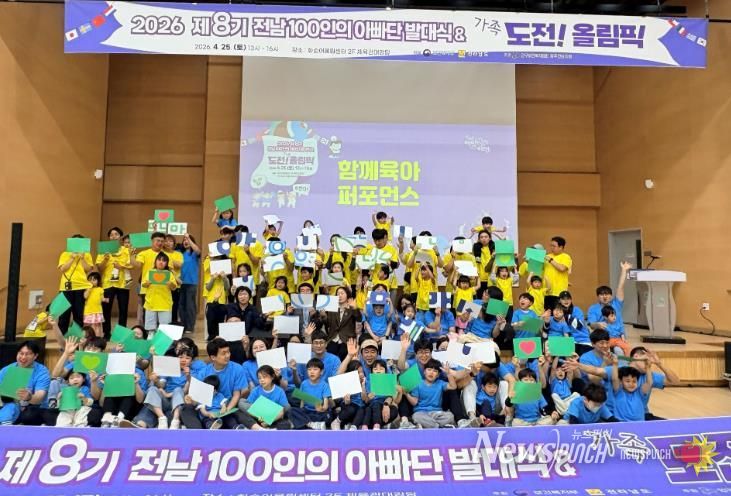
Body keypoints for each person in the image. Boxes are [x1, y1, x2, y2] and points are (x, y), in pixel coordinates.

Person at [179, 339, 246, 429]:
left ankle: (232, 427)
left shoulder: (238, 369)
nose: (228, 355)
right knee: (186, 409)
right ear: (213, 357)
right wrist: (191, 400)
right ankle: (198, 432)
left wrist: (226, 410)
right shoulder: (204, 372)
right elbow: (198, 397)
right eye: (223, 353)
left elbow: (236, 395)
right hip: (207, 410)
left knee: (237, 414)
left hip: (226, 408)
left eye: (228, 352)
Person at [128, 347, 193, 429]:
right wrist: (155, 381)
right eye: (181, 357)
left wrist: (168, 394)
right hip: (161, 404)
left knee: (178, 390)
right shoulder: (164, 371)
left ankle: (175, 421)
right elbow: (160, 385)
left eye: (187, 358)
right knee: (152, 389)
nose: (183, 360)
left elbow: (185, 391)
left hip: (177, 403)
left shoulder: (190, 374)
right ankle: (159, 419)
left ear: (191, 361)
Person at [0, 341, 51, 425]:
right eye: (21, 353)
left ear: (35, 356)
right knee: (9, 408)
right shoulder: (7, 370)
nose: (23, 357)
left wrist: (29, 397)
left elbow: (40, 396)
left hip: (33, 408)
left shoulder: (42, 371)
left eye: (27, 354)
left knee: (30, 415)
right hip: (10, 407)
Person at [97, 227, 132, 339]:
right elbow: (100, 268)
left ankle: (121, 334)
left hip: (123, 284)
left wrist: (122, 266)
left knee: (123, 310)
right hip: (108, 284)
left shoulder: (126, 250)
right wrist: (105, 259)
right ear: (109, 237)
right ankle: (106, 333)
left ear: (120, 237)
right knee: (106, 310)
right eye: (111, 235)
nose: (113, 236)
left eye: (116, 234)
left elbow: (132, 265)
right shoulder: (103, 250)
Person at [628, 347, 679, 420]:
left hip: (643, 415)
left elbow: (675, 381)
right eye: (646, 361)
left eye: (650, 363)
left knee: (671, 425)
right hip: (621, 417)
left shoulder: (649, 375)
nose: (649, 365)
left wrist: (659, 363)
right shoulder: (619, 372)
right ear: (636, 356)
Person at [57, 234, 94, 334]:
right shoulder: (65, 254)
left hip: (81, 287)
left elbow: (88, 269)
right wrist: (72, 258)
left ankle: (76, 337)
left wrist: (82, 258)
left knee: (78, 314)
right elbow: (63, 269)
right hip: (66, 287)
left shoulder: (87, 254)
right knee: (64, 314)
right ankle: (62, 338)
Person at [404, 358, 457, 428]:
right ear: (424, 372)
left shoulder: (440, 383)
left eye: (435, 371)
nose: (431, 373)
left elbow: (453, 386)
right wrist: (406, 394)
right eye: (429, 370)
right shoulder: (418, 384)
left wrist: (448, 374)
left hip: (437, 412)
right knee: (416, 417)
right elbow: (414, 402)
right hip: (421, 412)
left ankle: (430, 425)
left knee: (450, 416)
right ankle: (438, 426)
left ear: (438, 375)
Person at [240, 365, 291, 430]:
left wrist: (268, 421)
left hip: (273, 416)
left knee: (287, 407)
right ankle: (262, 425)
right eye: (259, 378)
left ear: (272, 377)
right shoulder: (256, 390)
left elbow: (282, 411)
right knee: (241, 402)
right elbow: (249, 407)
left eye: (264, 377)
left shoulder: (279, 391)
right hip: (259, 416)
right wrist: (261, 418)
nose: (262, 380)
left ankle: (271, 425)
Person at [587, 261, 632, 333]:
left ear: (611, 296)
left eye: (607, 294)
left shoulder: (616, 304)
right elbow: (591, 324)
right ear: (598, 297)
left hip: (617, 336)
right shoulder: (593, 308)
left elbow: (620, 287)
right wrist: (597, 325)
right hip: (602, 336)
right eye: (602, 294)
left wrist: (624, 270)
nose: (605, 296)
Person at [132, 231, 165, 326]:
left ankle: (158, 331)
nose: (160, 243)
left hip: (161, 288)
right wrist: (131, 256)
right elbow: (137, 265)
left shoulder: (165, 255)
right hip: (147, 287)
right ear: (152, 241)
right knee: (147, 311)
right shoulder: (144, 253)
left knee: (160, 312)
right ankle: (147, 331)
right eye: (158, 240)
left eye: (162, 241)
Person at [289, 358, 331, 430]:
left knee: (328, 416)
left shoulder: (325, 385)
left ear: (321, 372)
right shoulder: (304, 383)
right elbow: (302, 402)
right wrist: (301, 411)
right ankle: (310, 424)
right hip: (306, 411)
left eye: (315, 369)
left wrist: (321, 409)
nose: (312, 372)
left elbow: (325, 406)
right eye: (309, 369)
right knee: (291, 411)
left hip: (318, 412)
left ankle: (302, 422)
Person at [141, 252, 178, 332]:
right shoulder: (150, 272)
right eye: (159, 260)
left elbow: (174, 288)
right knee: (150, 329)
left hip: (165, 304)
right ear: (155, 261)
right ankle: (151, 339)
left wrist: (171, 284)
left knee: (164, 330)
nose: (161, 262)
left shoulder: (169, 274)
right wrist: (147, 283)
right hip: (151, 303)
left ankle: (162, 340)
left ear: (166, 263)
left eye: (164, 261)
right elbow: (143, 284)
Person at [611, 354, 654, 422]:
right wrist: (615, 364)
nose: (631, 384)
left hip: (639, 424)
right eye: (627, 381)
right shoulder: (618, 391)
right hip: (622, 423)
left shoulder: (640, 393)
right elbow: (614, 379)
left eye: (634, 381)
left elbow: (649, 382)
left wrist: (648, 367)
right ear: (621, 382)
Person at [322, 286, 360, 359]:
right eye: (338, 294)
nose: (340, 295)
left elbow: (359, 318)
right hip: (333, 338)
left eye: (342, 293)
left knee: (343, 353)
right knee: (330, 352)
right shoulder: (332, 308)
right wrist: (324, 316)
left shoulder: (352, 307)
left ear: (347, 295)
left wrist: (355, 308)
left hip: (347, 339)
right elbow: (328, 324)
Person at [362, 359, 401, 429]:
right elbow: (366, 401)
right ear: (372, 372)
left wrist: (399, 392)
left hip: (384, 405)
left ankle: (378, 424)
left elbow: (394, 399)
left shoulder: (389, 381)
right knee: (375, 405)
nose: (378, 371)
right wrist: (369, 397)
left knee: (394, 410)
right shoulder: (368, 382)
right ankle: (377, 425)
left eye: (381, 369)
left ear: (385, 371)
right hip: (372, 407)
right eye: (375, 369)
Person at [331, 361, 370, 430]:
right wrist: (347, 401)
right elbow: (345, 402)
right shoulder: (347, 382)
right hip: (349, 405)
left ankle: (353, 427)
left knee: (362, 409)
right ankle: (337, 421)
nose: (361, 374)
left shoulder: (366, 382)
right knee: (351, 409)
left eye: (362, 372)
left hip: (360, 406)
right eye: (358, 372)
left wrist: (363, 386)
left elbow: (364, 399)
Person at [179, 233, 201, 335]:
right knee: (182, 306)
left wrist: (189, 238)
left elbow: (198, 250)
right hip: (180, 283)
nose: (185, 241)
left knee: (190, 306)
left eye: (187, 240)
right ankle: (183, 325)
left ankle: (190, 326)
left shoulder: (194, 254)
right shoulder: (180, 253)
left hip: (191, 283)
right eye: (184, 240)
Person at [543, 236, 572, 302]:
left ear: (561, 247)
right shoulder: (548, 256)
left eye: (554, 246)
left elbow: (562, 268)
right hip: (547, 291)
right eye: (551, 246)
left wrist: (550, 260)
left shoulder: (566, 257)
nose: (551, 248)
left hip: (559, 292)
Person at [163, 234, 184, 322]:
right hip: (162, 284)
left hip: (175, 284)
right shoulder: (160, 253)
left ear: (174, 243)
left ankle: (173, 325)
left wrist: (166, 259)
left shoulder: (178, 254)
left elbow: (179, 265)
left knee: (174, 308)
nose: (168, 243)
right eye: (166, 241)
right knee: (163, 308)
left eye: (170, 241)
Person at [83, 272, 106, 337]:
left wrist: (106, 299)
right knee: (88, 326)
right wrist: (89, 289)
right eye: (90, 280)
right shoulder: (86, 289)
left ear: (98, 281)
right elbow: (85, 296)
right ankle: (88, 338)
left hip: (97, 311)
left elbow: (102, 299)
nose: (92, 281)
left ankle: (97, 338)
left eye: (94, 280)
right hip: (88, 311)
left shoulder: (100, 289)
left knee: (96, 326)